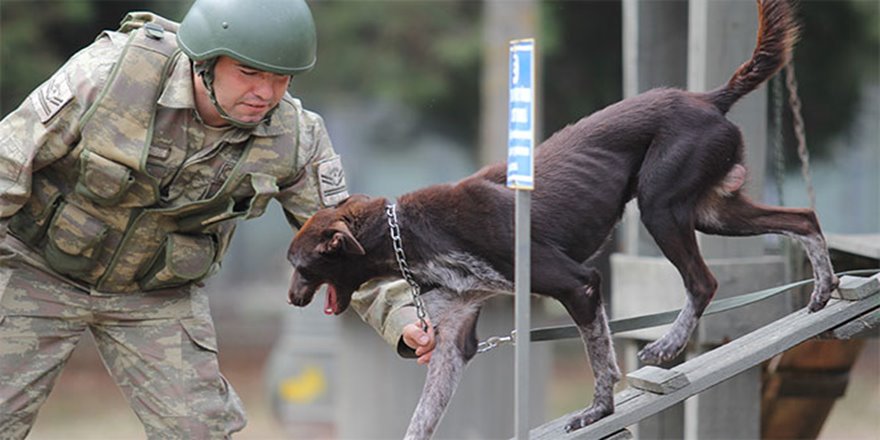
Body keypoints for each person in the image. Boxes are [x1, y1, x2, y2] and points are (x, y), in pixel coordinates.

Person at [0, 0, 433, 437]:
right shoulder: (108, 76)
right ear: (204, 62)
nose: (265, 92)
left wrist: (405, 318)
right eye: (248, 73)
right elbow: (7, 165)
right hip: (37, 270)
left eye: (280, 78)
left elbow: (347, 246)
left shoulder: (294, 138)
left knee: (202, 430)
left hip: (155, 295)